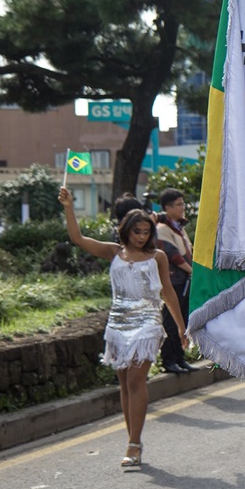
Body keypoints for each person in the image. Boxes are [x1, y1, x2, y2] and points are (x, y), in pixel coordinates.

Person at [59, 187, 186, 467]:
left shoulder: (158, 257)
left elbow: (168, 292)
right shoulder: (114, 252)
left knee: (135, 380)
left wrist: (180, 326)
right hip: (118, 321)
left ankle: (134, 443)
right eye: (137, 231)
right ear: (126, 230)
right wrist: (69, 206)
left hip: (148, 321)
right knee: (124, 384)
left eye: (146, 232)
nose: (141, 236)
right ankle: (132, 439)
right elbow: (77, 239)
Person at [154, 188, 195, 375]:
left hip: (185, 281)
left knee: (183, 320)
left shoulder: (179, 228)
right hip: (174, 281)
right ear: (168, 208)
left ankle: (180, 357)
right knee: (171, 321)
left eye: (183, 204)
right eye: (179, 205)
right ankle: (169, 360)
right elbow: (173, 255)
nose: (183, 208)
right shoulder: (162, 229)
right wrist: (191, 270)